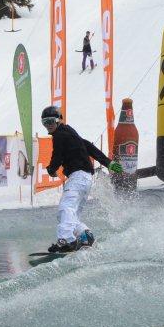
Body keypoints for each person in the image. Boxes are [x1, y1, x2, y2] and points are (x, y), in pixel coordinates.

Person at [40, 105, 121, 253]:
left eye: (51, 121)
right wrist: (108, 162)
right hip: (85, 178)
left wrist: (51, 169)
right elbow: (88, 145)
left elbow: (57, 155)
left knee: (66, 208)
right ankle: (85, 236)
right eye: (45, 123)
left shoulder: (59, 135)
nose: (48, 125)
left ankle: (65, 241)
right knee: (72, 215)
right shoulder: (70, 132)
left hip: (78, 177)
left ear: (58, 120)